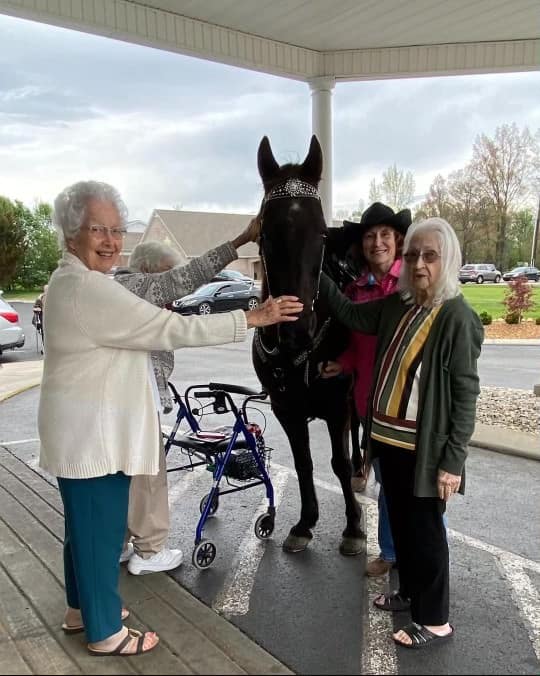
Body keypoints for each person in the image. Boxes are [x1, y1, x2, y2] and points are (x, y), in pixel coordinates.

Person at [38, 180, 302, 657]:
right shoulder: (86, 289)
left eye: (118, 230)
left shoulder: (79, 282)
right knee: (99, 535)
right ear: (72, 233)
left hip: (87, 434)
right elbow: (169, 326)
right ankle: (105, 633)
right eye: (99, 229)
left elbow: (170, 294)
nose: (112, 240)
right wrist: (252, 318)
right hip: (95, 439)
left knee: (85, 532)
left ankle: (82, 610)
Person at [319, 217, 483, 649]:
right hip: (388, 441)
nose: (419, 263)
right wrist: (312, 266)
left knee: (426, 534)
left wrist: (453, 462)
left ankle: (435, 621)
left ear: (447, 261)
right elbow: (352, 313)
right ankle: (409, 594)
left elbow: (466, 394)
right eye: (412, 255)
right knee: (405, 530)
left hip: (424, 449)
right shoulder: (398, 303)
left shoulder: (457, 316)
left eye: (430, 255)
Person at [114, 233, 258, 575]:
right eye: (166, 273)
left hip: (120, 403)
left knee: (122, 476)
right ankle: (149, 552)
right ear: (150, 271)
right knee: (148, 474)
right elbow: (187, 286)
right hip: (134, 403)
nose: (176, 293)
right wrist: (239, 242)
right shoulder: (138, 289)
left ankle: (118, 543)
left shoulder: (121, 293)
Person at [322, 202, 410, 578]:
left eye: (385, 235)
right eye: (370, 236)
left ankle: (417, 554)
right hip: (370, 403)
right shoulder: (356, 290)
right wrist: (342, 363)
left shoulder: (412, 281)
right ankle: (391, 551)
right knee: (388, 484)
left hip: (409, 403)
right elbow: (360, 346)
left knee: (415, 488)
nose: (377, 243)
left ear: (399, 240)